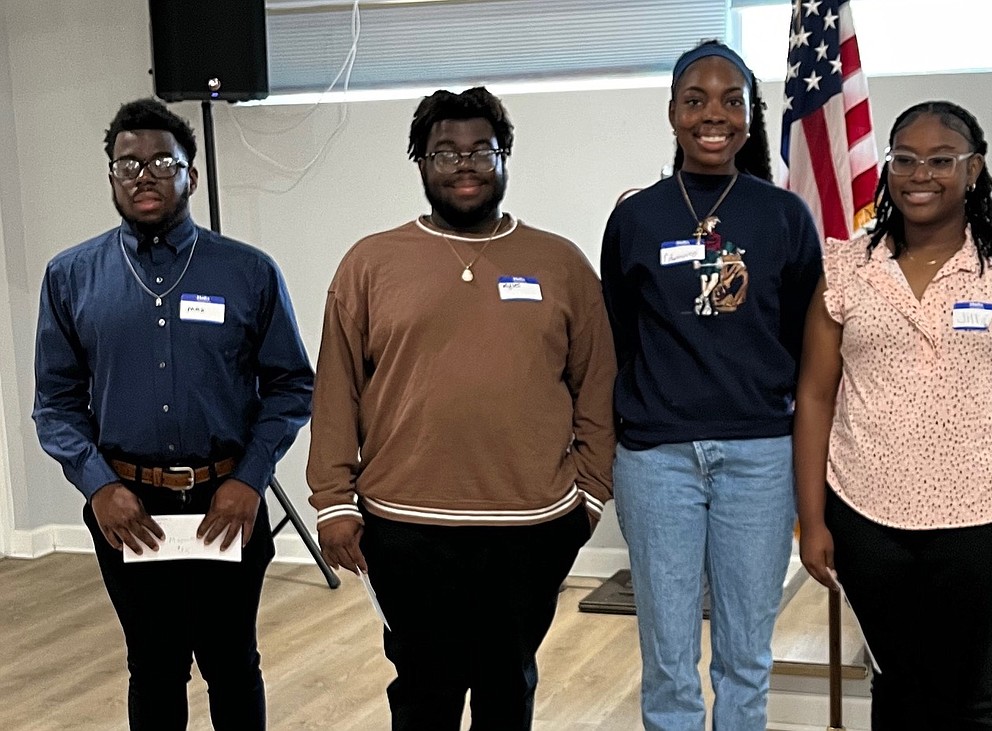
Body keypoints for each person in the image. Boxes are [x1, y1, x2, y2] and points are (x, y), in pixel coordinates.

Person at [306, 86, 616, 730]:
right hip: (405, 526)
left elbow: (598, 386)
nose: (466, 164)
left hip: (531, 526)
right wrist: (334, 501)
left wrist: (589, 494)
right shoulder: (370, 263)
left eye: (483, 150)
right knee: (424, 692)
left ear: (506, 159)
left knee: (508, 687)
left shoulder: (560, 263)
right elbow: (336, 390)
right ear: (420, 162)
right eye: (446, 152)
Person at [32, 98, 314, 731]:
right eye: (126, 163)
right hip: (129, 509)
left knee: (232, 663)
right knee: (153, 667)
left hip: (229, 502)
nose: (144, 174)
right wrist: (100, 486)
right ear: (110, 177)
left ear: (191, 173)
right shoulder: (72, 276)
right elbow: (54, 403)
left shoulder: (247, 272)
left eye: (162, 160)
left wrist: (249, 480)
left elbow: (291, 385)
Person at [794, 100, 992, 730]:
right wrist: (812, 520)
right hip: (867, 517)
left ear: (974, 169)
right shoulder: (847, 267)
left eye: (941, 160)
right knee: (895, 689)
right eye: (905, 160)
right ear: (887, 168)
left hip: (985, 520)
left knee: (967, 696)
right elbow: (813, 395)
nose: (921, 174)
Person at [600, 41, 823, 730]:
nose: (713, 114)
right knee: (668, 659)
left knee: (745, 656)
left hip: (758, 458)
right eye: (695, 99)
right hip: (657, 459)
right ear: (672, 112)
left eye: (731, 100)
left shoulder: (783, 216)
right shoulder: (636, 217)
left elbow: (800, 336)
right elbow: (618, 335)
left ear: (751, 117)